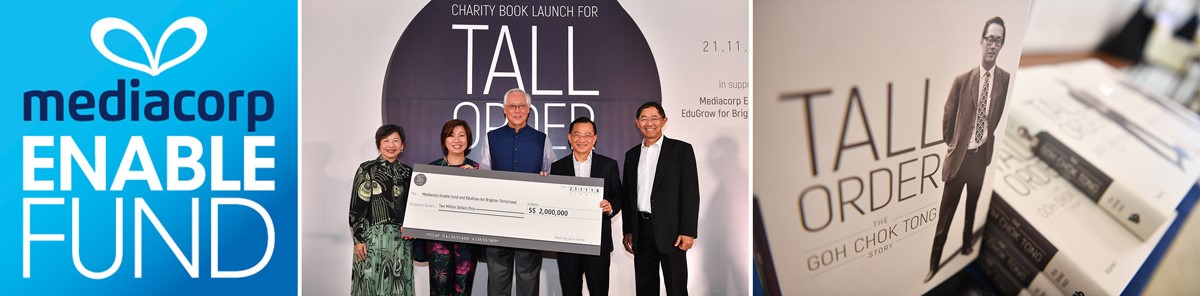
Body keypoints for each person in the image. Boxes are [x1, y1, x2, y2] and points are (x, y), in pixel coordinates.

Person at [925, 16, 1010, 283]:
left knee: (973, 207)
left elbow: (995, 118)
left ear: (1002, 44)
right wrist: (954, 142)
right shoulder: (963, 79)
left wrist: (983, 141)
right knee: (944, 217)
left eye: (998, 40)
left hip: (980, 158)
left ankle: (966, 246)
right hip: (959, 158)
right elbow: (948, 114)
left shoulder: (1004, 79)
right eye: (989, 39)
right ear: (981, 41)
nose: (993, 45)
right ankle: (934, 264)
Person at [477, 88, 556, 296]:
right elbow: (484, 175)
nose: (517, 110)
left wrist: (546, 178)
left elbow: (553, 174)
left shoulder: (542, 139)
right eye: (512, 106)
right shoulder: (491, 137)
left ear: (529, 110)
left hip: (530, 221)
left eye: (522, 106)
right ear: (504, 110)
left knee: (528, 277)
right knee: (497, 278)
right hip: (498, 220)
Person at [621, 102, 699, 296]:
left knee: (676, 288)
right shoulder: (631, 155)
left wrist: (688, 231)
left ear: (664, 121)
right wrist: (629, 230)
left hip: (672, 233)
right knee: (645, 289)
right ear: (637, 123)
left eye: (654, 118)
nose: (650, 123)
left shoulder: (681, 150)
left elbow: (690, 192)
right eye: (644, 118)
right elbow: (628, 195)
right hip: (641, 231)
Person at [549, 117, 622, 296]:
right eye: (577, 135)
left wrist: (610, 207)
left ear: (595, 138)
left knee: (599, 290)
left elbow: (618, 195)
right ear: (569, 138)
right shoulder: (557, 167)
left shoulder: (608, 165)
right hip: (567, 242)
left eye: (588, 135)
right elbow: (553, 200)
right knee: (570, 291)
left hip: (597, 242)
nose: (582, 139)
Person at [350, 124, 416, 296]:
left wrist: (412, 227)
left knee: (399, 286)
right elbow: (356, 207)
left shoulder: (409, 173)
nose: (391, 145)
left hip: (401, 240)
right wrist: (358, 239)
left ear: (402, 146)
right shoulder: (367, 169)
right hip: (372, 239)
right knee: (369, 285)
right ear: (379, 144)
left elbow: (414, 207)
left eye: (396, 141)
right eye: (386, 140)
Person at [425, 119, 482, 295]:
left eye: (461, 135)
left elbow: (482, 207)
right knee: (439, 288)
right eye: (451, 135)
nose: (457, 140)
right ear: (444, 141)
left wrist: (479, 182)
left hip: (466, 240)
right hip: (438, 240)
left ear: (468, 140)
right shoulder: (432, 169)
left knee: (462, 289)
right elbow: (424, 206)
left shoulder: (477, 169)